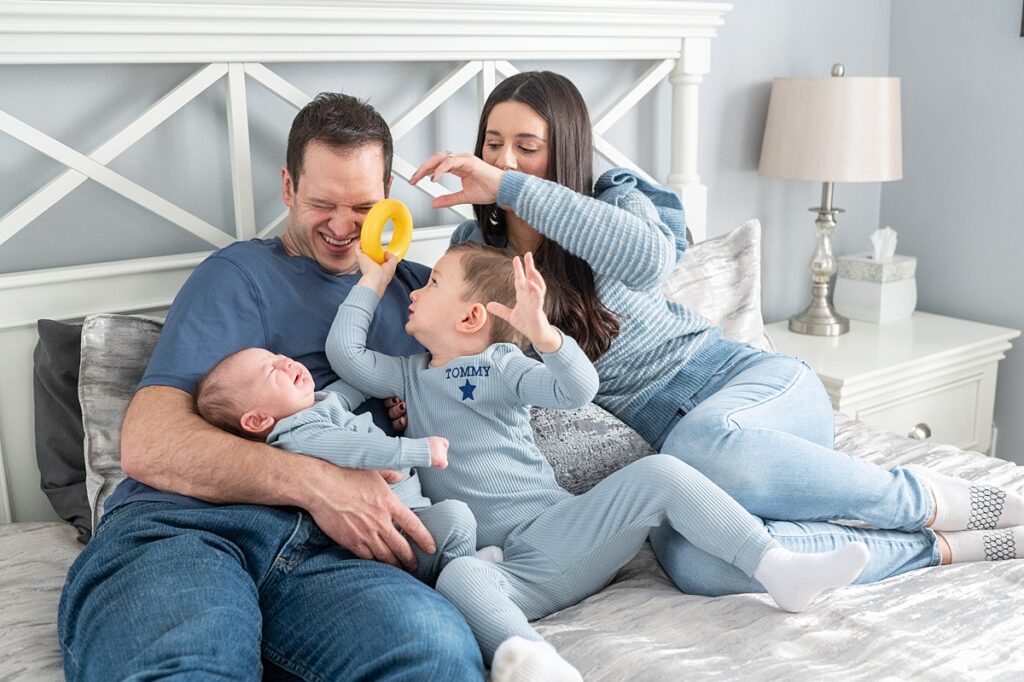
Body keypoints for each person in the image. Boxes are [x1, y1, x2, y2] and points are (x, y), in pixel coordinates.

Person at [401, 70, 1024, 598]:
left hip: (756, 390)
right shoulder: (470, 255)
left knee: (700, 447)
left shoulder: (616, 199)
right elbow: (456, 362)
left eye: (526, 146)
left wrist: (512, 189)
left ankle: (925, 497)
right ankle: (933, 547)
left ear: (563, 149)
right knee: (692, 561)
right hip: (692, 452)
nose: (504, 160)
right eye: (492, 143)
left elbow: (647, 261)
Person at [57, 93, 483, 680]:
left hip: (341, 559)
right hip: (190, 531)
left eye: (362, 206)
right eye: (320, 203)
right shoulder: (238, 276)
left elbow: (544, 317)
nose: (340, 227)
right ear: (287, 187)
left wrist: (505, 196)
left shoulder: (426, 296)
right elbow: (149, 442)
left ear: (390, 195)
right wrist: (319, 484)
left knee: (436, 655)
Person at [329, 241, 871, 681]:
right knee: (460, 579)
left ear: (472, 316)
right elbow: (345, 357)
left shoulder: (499, 365)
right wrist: (372, 280)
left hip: (560, 531)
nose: (416, 290)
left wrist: (544, 335)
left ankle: (779, 568)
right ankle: (538, 662)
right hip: (511, 571)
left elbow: (576, 389)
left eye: (432, 282)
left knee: (659, 472)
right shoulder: (407, 375)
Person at [193, 346, 505, 584]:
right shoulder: (298, 435)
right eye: (270, 371)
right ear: (258, 420)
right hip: (392, 528)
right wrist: (417, 450)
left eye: (277, 355)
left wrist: (390, 380)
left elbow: (353, 389)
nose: (285, 362)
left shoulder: (317, 404)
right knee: (457, 517)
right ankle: (464, 580)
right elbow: (359, 449)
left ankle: (464, 571)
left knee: (459, 516)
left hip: (411, 510)